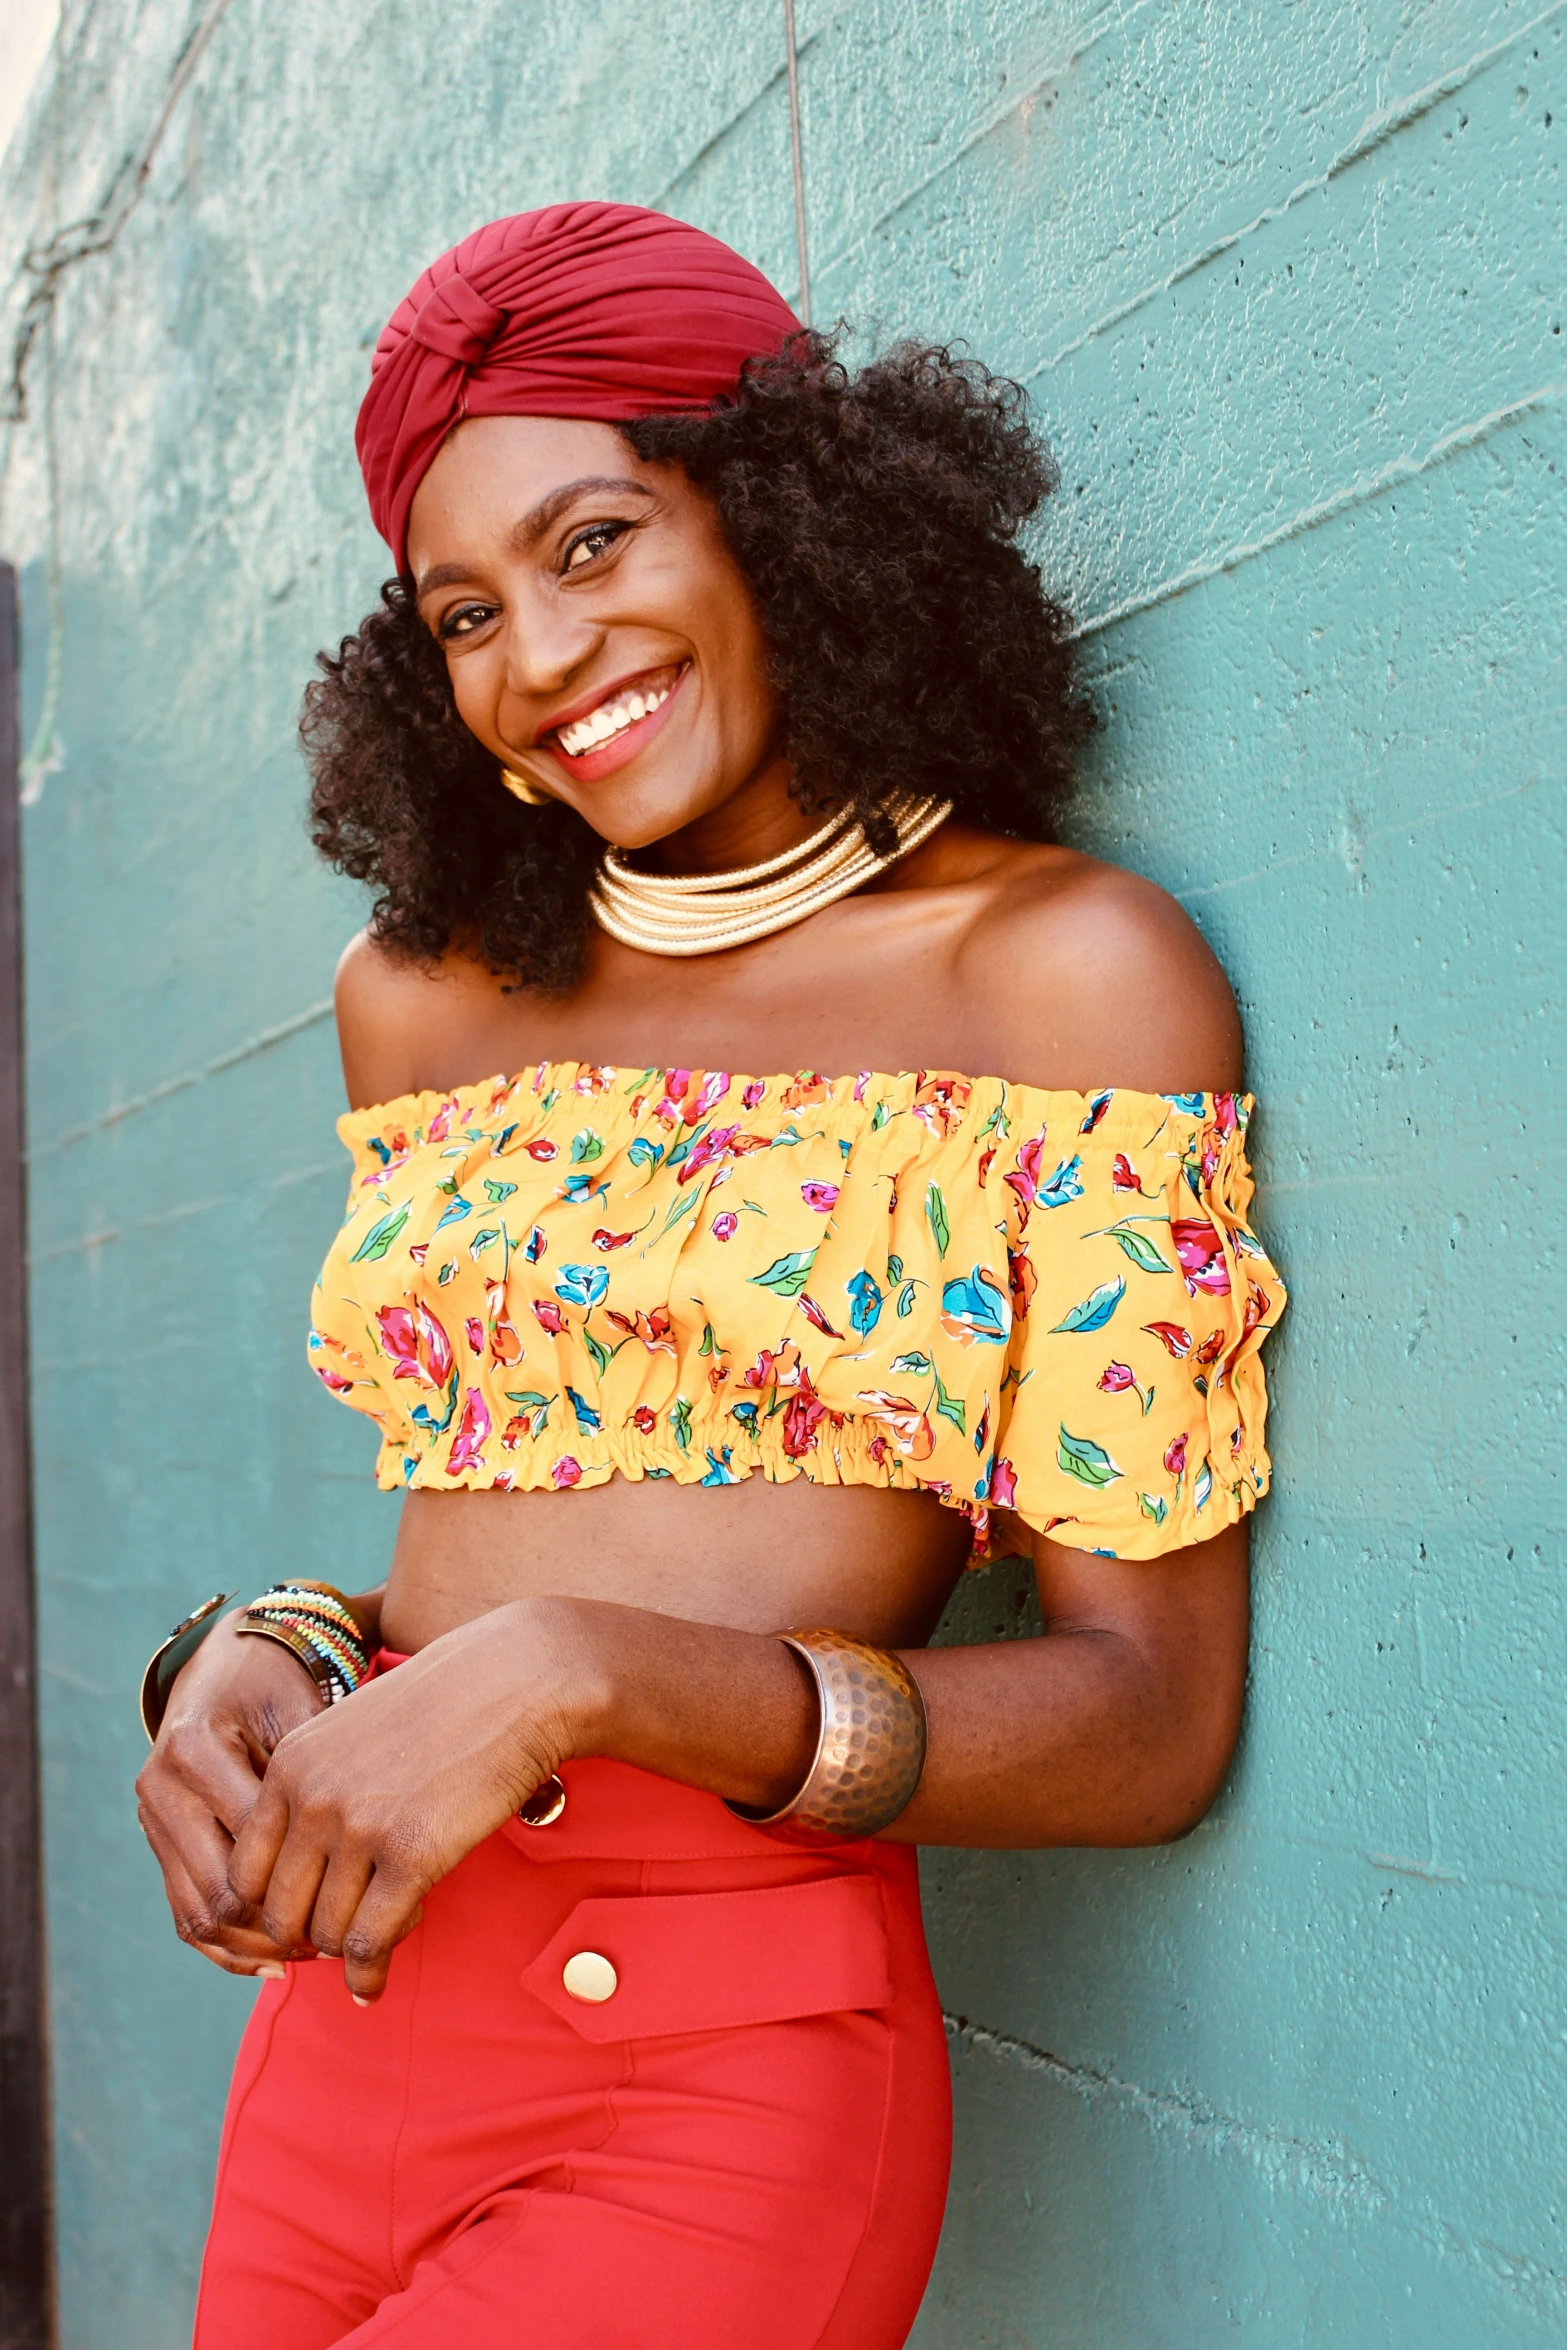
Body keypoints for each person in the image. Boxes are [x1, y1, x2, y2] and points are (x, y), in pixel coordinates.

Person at [134, 202, 1285, 2349]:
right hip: (345, 2037)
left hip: (713, 2090)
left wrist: (594, 1667)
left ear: (782, 511)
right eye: (464, 610)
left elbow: (1153, 1716)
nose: (543, 656)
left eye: (592, 545)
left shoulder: (1058, 977)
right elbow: (490, 1540)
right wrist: (265, 1652)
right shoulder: (420, 1002)